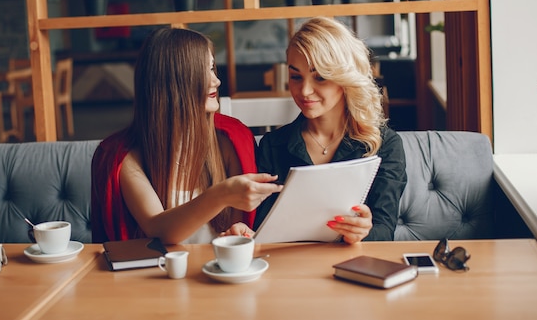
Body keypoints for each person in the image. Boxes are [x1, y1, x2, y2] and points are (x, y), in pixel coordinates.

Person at [91, 27, 282, 244]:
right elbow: (157, 230)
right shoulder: (125, 157)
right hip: (160, 273)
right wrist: (221, 194)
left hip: (218, 268)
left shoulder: (230, 139)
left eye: (212, 68)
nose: (216, 81)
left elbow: (235, 228)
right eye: (202, 72)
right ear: (172, 84)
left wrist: (237, 231)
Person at [255, 17, 407, 244]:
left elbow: (385, 231)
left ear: (344, 79)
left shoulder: (384, 144)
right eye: (296, 76)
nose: (305, 90)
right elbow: (262, 228)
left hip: (353, 267)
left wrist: (363, 232)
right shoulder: (272, 145)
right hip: (289, 270)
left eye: (320, 77)